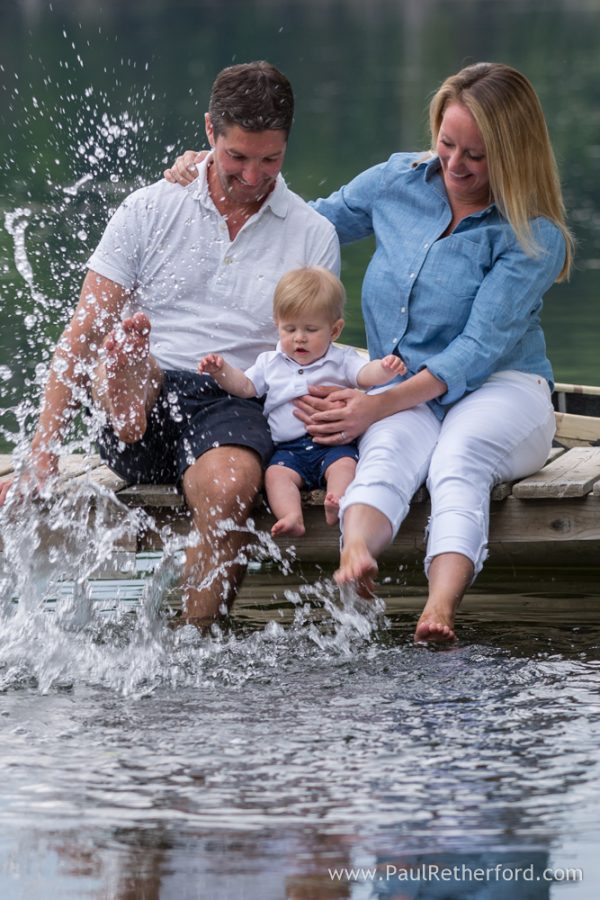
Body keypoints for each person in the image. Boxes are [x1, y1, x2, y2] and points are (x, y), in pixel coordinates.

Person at [165, 62, 573, 641]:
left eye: (476, 156)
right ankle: (355, 556)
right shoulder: (396, 181)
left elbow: (478, 349)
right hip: (398, 391)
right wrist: (211, 174)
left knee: (459, 459)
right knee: (381, 463)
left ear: (513, 153)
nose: (456, 165)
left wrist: (373, 403)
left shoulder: (532, 233)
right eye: (447, 143)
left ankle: (440, 607)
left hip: (503, 388)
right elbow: (303, 227)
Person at [0, 61, 340, 626]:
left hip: (229, 399)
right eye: (238, 158)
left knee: (231, 487)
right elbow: (81, 332)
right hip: (144, 399)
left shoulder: (311, 234)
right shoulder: (150, 208)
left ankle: (194, 640)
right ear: (210, 132)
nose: (255, 177)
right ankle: (129, 380)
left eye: (270, 159)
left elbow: (309, 359)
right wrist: (41, 454)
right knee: (119, 344)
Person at [198, 266, 406, 537]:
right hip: (288, 449)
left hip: (332, 444)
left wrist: (385, 369)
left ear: (335, 330)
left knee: (345, 467)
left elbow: (365, 376)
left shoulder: (341, 360)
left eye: (311, 329)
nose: (299, 338)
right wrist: (221, 371)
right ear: (277, 325)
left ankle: (336, 501)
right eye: (290, 328)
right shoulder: (269, 363)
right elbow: (246, 387)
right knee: (275, 476)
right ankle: (291, 516)